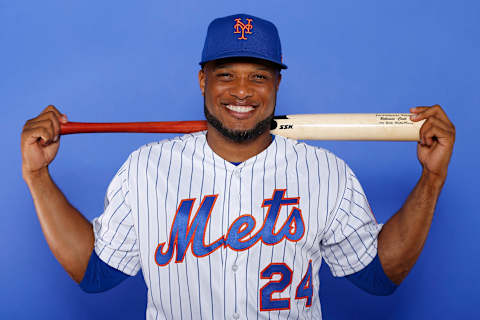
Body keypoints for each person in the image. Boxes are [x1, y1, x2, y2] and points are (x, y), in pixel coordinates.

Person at [21, 13, 455, 319]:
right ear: (202, 80)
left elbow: (380, 276)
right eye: (226, 74)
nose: (243, 91)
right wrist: (38, 177)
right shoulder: (145, 169)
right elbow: (95, 273)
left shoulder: (328, 173)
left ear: (278, 84)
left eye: (259, 76)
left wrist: (431, 178)